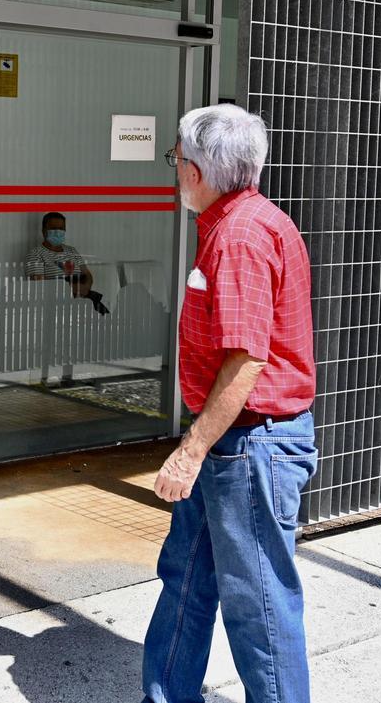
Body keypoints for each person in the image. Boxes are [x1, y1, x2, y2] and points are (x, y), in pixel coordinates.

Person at [141, 104, 317, 703]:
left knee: (257, 608)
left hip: (248, 447)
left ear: (194, 171)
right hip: (231, 442)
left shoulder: (239, 236)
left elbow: (246, 361)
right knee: (186, 582)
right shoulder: (238, 222)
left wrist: (190, 451)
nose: (174, 170)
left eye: (175, 159)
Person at [24, 212, 107, 315]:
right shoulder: (35, 254)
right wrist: (76, 289)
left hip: (84, 303)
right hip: (56, 308)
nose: (58, 232)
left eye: (61, 228)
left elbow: (88, 275)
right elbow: (41, 286)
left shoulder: (72, 250)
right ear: (44, 231)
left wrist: (83, 289)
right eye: (53, 228)